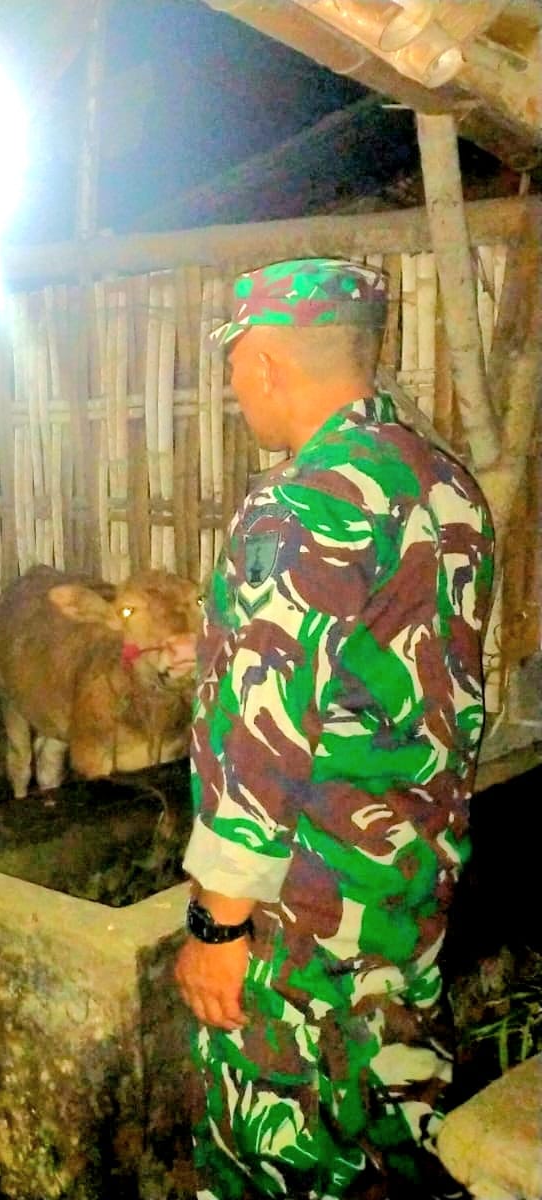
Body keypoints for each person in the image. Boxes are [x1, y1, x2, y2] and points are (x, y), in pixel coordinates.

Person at [175, 257, 495, 1199]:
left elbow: (261, 729)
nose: (237, 393)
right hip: (407, 883)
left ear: (265, 364)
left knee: (279, 1148)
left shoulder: (302, 503)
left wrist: (217, 923)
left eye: (236, 370)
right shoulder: (445, 484)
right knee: (391, 1125)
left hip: (306, 915)